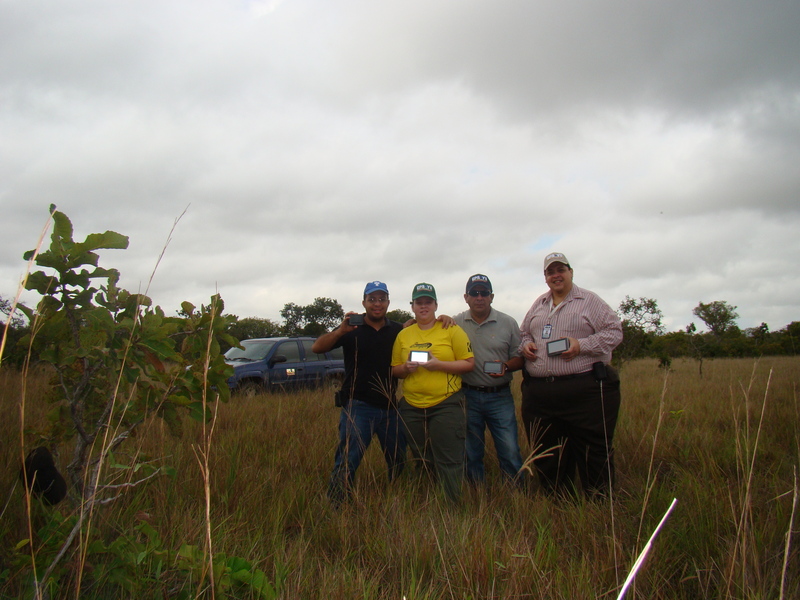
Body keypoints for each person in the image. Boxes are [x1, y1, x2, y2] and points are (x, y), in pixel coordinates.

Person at [519, 253, 623, 499]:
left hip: (584, 388)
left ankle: (599, 504)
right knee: (547, 449)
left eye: (560, 270)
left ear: (570, 272)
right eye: (550, 272)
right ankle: (559, 501)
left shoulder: (589, 301)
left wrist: (581, 345)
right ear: (545, 278)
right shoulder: (539, 304)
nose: (556, 275)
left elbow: (615, 332)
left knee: (592, 450)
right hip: (541, 392)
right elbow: (524, 333)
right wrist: (526, 346)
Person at [312, 281, 405, 505]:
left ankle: (400, 500)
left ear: (388, 303)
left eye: (382, 299)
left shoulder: (398, 330)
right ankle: (336, 504)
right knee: (347, 460)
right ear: (363, 302)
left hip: (390, 407)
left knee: (399, 459)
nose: (377, 303)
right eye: (372, 299)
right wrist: (340, 331)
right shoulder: (351, 329)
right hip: (358, 406)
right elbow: (318, 347)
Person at [391, 283, 474, 503]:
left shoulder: (451, 329)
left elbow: (469, 364)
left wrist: (439, 365)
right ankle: (426, 501)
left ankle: (452, 505)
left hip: (446, 403)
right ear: (412, 306)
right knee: (421, 457)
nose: (424, 306)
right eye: (419, 302)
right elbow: (395, 370)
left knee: (449, 458)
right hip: (412, 405)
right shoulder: (404, 334)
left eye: (428, 302)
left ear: (436, 304)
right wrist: (405, 369)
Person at [454, 274, 525, 486]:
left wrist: (506, 367)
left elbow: (519, 358)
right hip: (467, 395)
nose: (479, 297)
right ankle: (476, 494)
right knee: (471, 451)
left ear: (491, 296)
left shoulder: (508, 323)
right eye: (474, 293)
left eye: (484, 293)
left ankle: (515, 493)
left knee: (510, 449)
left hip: (499, 396)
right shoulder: (454, 323)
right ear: (466, 297)